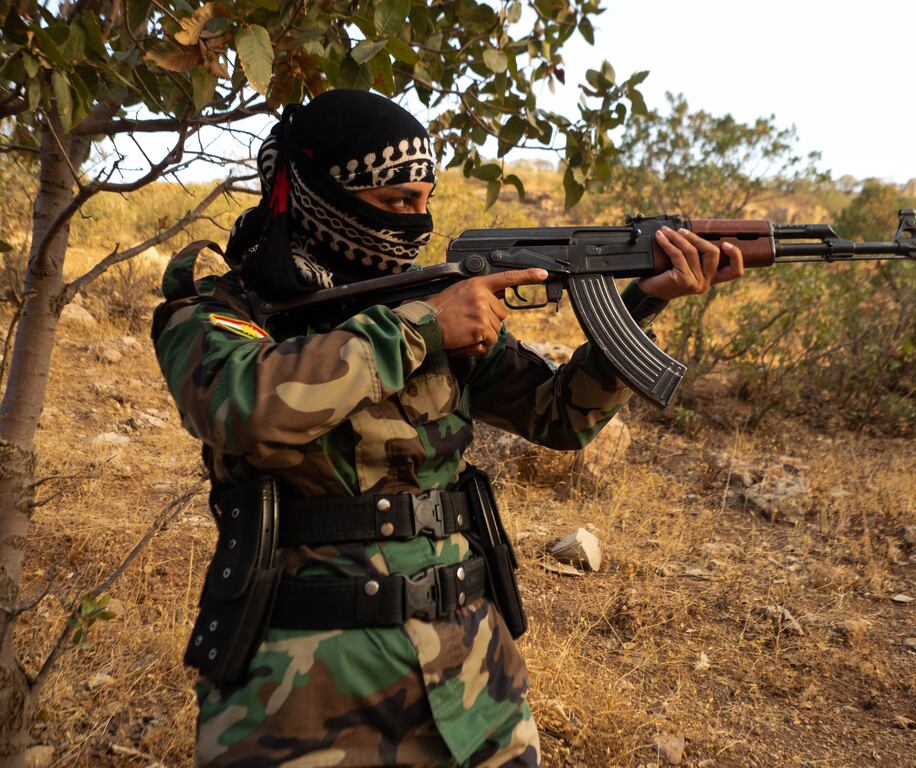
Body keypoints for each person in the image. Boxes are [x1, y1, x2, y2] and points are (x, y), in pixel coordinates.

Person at [152, 88, 744, 768]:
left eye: (426, 198)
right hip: (303, 691)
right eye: (398, 201)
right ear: (319, 196)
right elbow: (244, 412)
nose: (419, 219)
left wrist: (641, 303)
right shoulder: (219, 311)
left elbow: (556, 417)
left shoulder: (423, 298)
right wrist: (421, 327)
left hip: (470, 675)